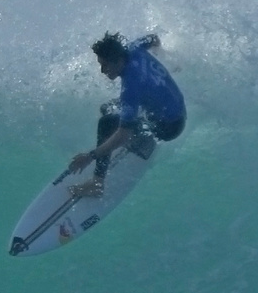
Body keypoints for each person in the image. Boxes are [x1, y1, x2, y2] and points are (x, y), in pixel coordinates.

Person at [67, 32, 185, 197]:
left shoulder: (130, 87)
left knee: (106, 123)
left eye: (106, 65)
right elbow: (153, 38)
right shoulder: (133, 48)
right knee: (107, 108)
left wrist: (90, 156)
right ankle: (139, 137)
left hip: (168, 128)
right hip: (178, 109)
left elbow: (123, 135)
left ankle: (97, 184)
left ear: (118, 60)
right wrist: (163, 55)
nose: (102, 71)